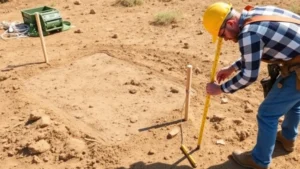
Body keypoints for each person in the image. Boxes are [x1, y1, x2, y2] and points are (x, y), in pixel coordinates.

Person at [202, 2, 300, 169]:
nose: (225, 39)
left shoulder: (249, 34)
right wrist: (232, 67)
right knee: (295, 102)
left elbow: (249, 76)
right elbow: (256, 51)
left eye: (222, 34)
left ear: (231, 23)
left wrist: (221, 89)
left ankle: (260, 161)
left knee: (267, 114)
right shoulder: (255, 13)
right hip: (295, 57)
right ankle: (287, 137)